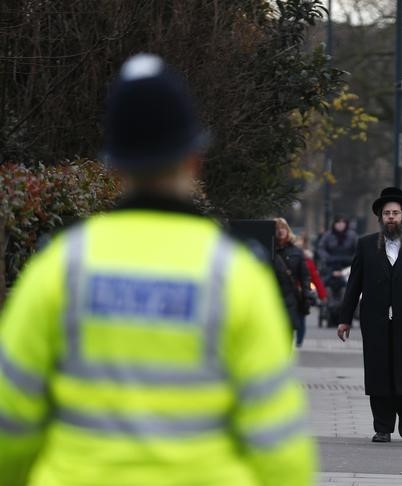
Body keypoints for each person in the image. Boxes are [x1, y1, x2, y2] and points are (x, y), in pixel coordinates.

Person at [0, 53, 317, 485]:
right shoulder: (235, 275)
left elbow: (11, 421)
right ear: (194, 158)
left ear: (112, 165)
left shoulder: (61, 266)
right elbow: (280, 449)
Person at [337, 187, 402, 443]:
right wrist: (344, 319)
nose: (391, 217)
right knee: (379, 373)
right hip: (376, 321)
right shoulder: (366, 245)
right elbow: (354, 284)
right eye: (386, 213)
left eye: (395, 213)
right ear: (380, 217)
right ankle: (383, 427)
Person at [273, 217, 313, 348]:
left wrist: (306, 295)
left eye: (283, 228)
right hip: (271, 295)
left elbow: (304, 276)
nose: (280, 231)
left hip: (290, 296)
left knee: (287, 331)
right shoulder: (268, 250)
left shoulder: (296, 251)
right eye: (277, 228)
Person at [317, 215, 358, 326]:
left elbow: (358, 251)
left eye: (342, 222)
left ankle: (347, 313)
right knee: (328, 288)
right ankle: (330, 310)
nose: (340, 225)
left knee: (347, 291)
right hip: (331, 266)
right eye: (338, 222)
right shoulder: (327, 236)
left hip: (347, 267)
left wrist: (352, 261)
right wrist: (328, 259)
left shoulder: (352, 236)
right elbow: (321, 249)